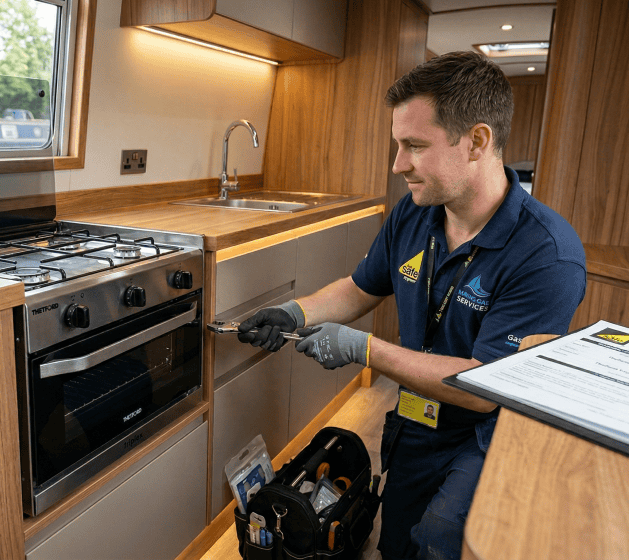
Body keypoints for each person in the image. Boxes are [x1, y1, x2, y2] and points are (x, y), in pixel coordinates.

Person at [236, 51, 586, 560]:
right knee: (396, 541)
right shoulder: (415, 213)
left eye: (414, 146)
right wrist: (297, 312)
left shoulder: (547, 255)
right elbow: (360, 289)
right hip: (416, 417)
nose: (398, 164)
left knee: (438, 541)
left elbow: (483, 388)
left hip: (483, 434)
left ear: (478, 142)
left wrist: (364, 349)